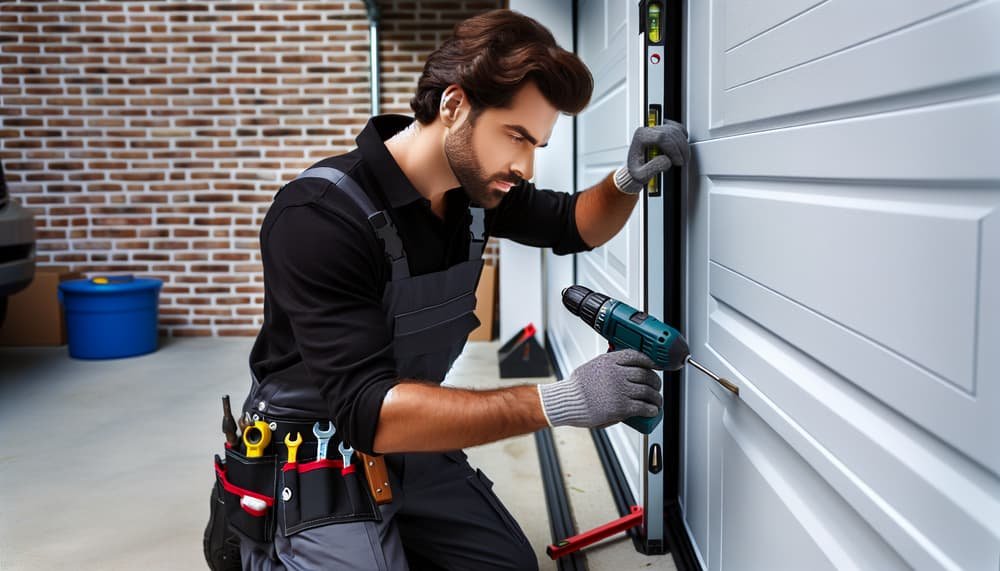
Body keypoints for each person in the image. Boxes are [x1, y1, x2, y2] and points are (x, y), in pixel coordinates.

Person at [216, 8, 690, 571]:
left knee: (509, 565)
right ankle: (254, 546)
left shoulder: (475, 195)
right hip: (313, 450)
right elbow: (369, 410)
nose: (526, 166)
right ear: (455, 106)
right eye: (516, 136)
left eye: (536, 143)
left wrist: (626, 180)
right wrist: (562, 400)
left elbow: (574, 224)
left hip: (411, 433)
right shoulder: (319, 216)